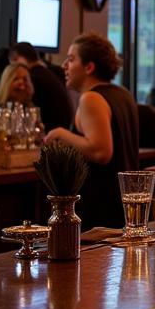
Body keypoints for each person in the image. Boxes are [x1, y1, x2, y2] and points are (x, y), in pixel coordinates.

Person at [44, 34, 140, 230]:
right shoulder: (123, 94)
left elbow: (101, 152)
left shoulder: (91, 98)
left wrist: (61, 134)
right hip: (125, 203)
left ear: (89, 67)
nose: (64, 65)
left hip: (101, 205)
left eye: (71, 59)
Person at [10, 42, 74, 133]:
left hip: (51, 140)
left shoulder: (34, 79)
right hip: (62, 135)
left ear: (18, 59)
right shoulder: (49, 74)